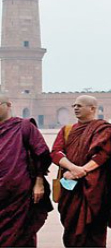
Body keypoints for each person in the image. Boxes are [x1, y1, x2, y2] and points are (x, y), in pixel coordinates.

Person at [51, 95, 111, 247]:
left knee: (95, 230)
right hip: (70, 188)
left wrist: (83, 171)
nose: (75, 108)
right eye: (74, 106)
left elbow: (103, 154)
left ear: (92, 108)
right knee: (71, 228)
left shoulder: (104, 129)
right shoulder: (67, 130)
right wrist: (74, 169)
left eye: (80, 105)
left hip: (95, 188)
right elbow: (55, 152)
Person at [0, 94, 52, 247]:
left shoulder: (24, 126)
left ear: (8, 105)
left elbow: (41, 155)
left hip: (19, 194)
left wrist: (39, 182)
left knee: (21, 235)